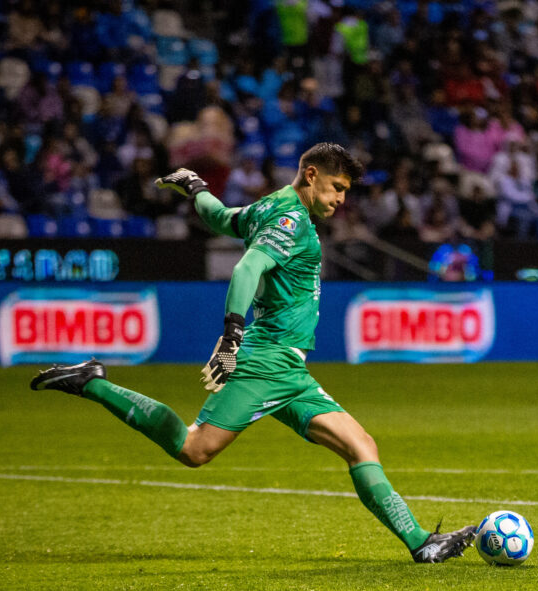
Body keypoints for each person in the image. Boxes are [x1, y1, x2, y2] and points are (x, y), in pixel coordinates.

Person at [30, 143, 477, 563]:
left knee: (361, 445)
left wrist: (195, 187)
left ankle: (422, 545)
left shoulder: (267, 206)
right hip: (266, 359)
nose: (342, 199)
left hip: (288, 368)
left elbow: (221, 217)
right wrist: (232, 334)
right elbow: (248, 267)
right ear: (312, 174)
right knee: (194, 448)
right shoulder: (291, 222)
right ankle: (94, 382)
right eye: (337, 188)